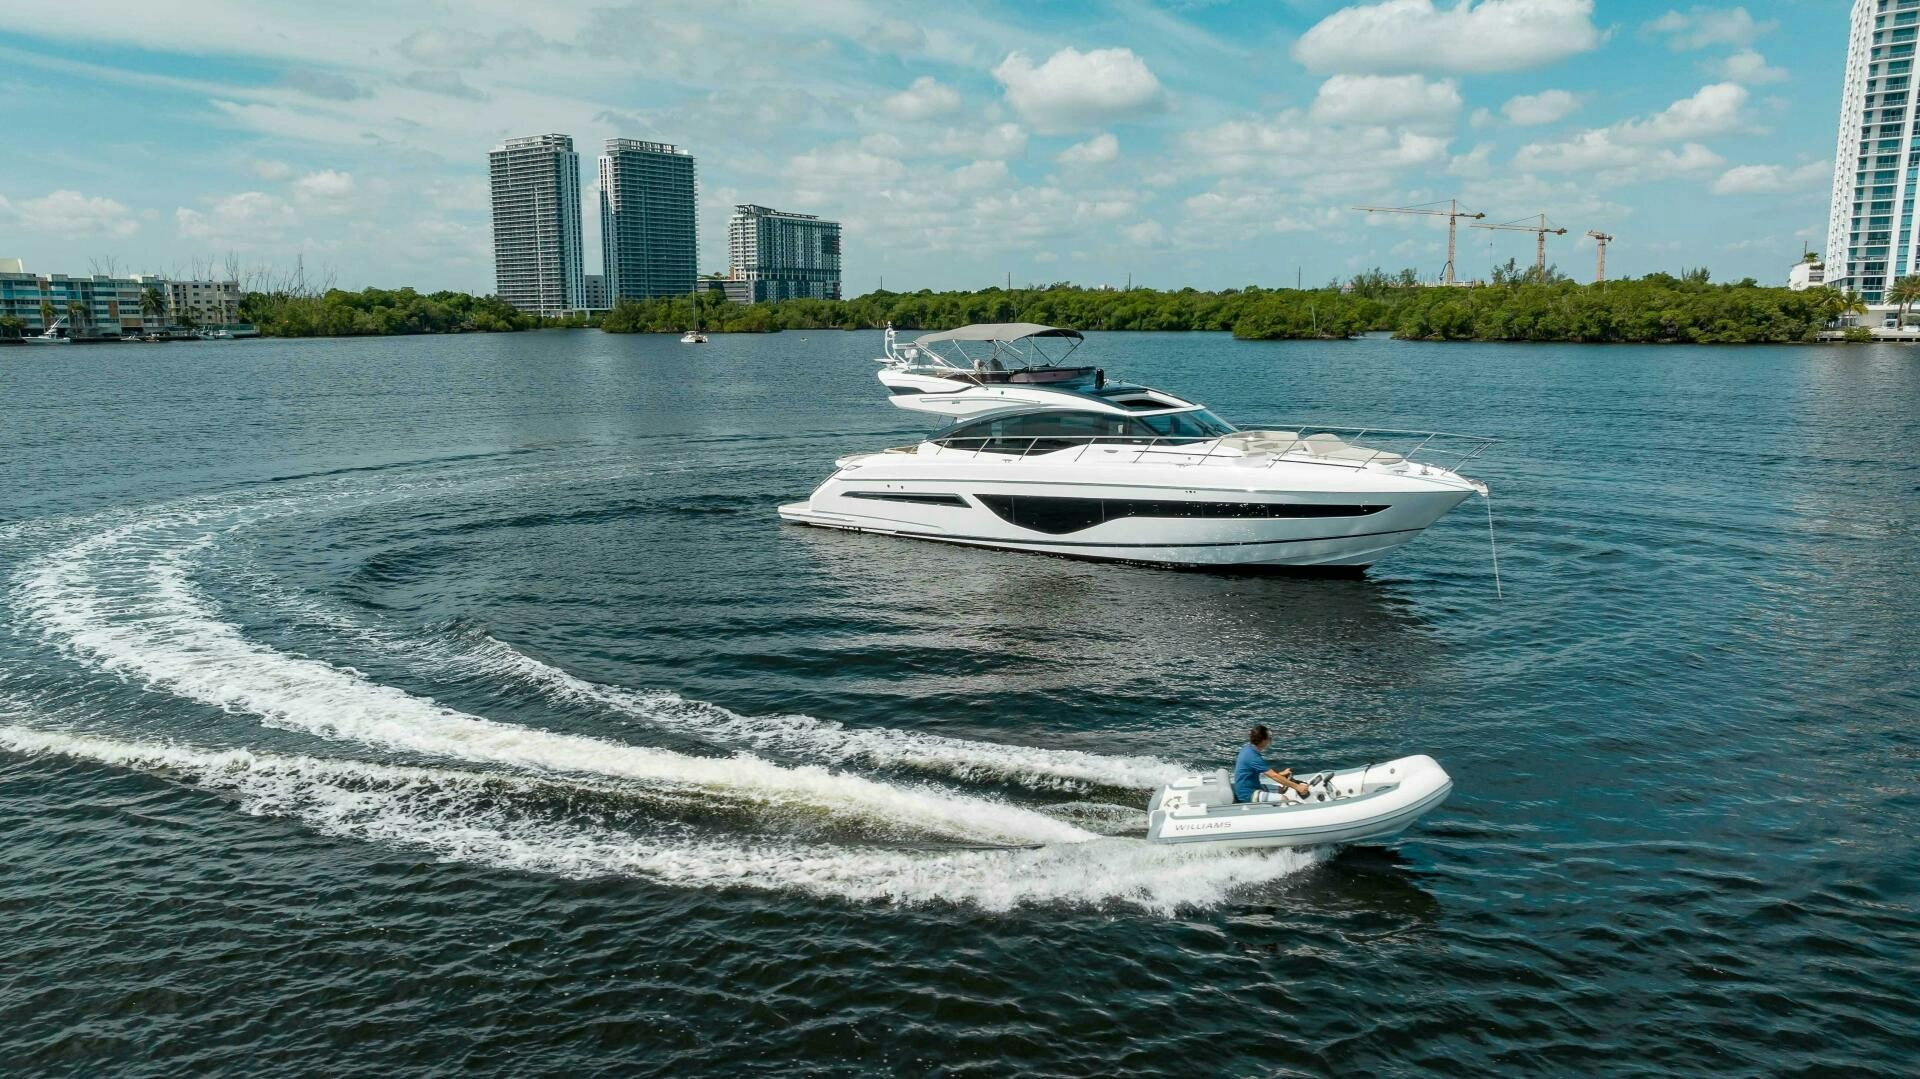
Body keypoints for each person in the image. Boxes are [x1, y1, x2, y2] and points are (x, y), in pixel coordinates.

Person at [1233, 725, 1311, 803]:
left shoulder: (1248, 748)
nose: (1270, 740)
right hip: (1248, 794)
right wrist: (1298, 787)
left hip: (1252, 787)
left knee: (1282, 789)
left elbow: (1263, 772)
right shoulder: (1252, 756)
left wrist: (1280, 774)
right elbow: (1274, 776)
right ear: (1263, 740)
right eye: (1269, 738)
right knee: (1283, 799)